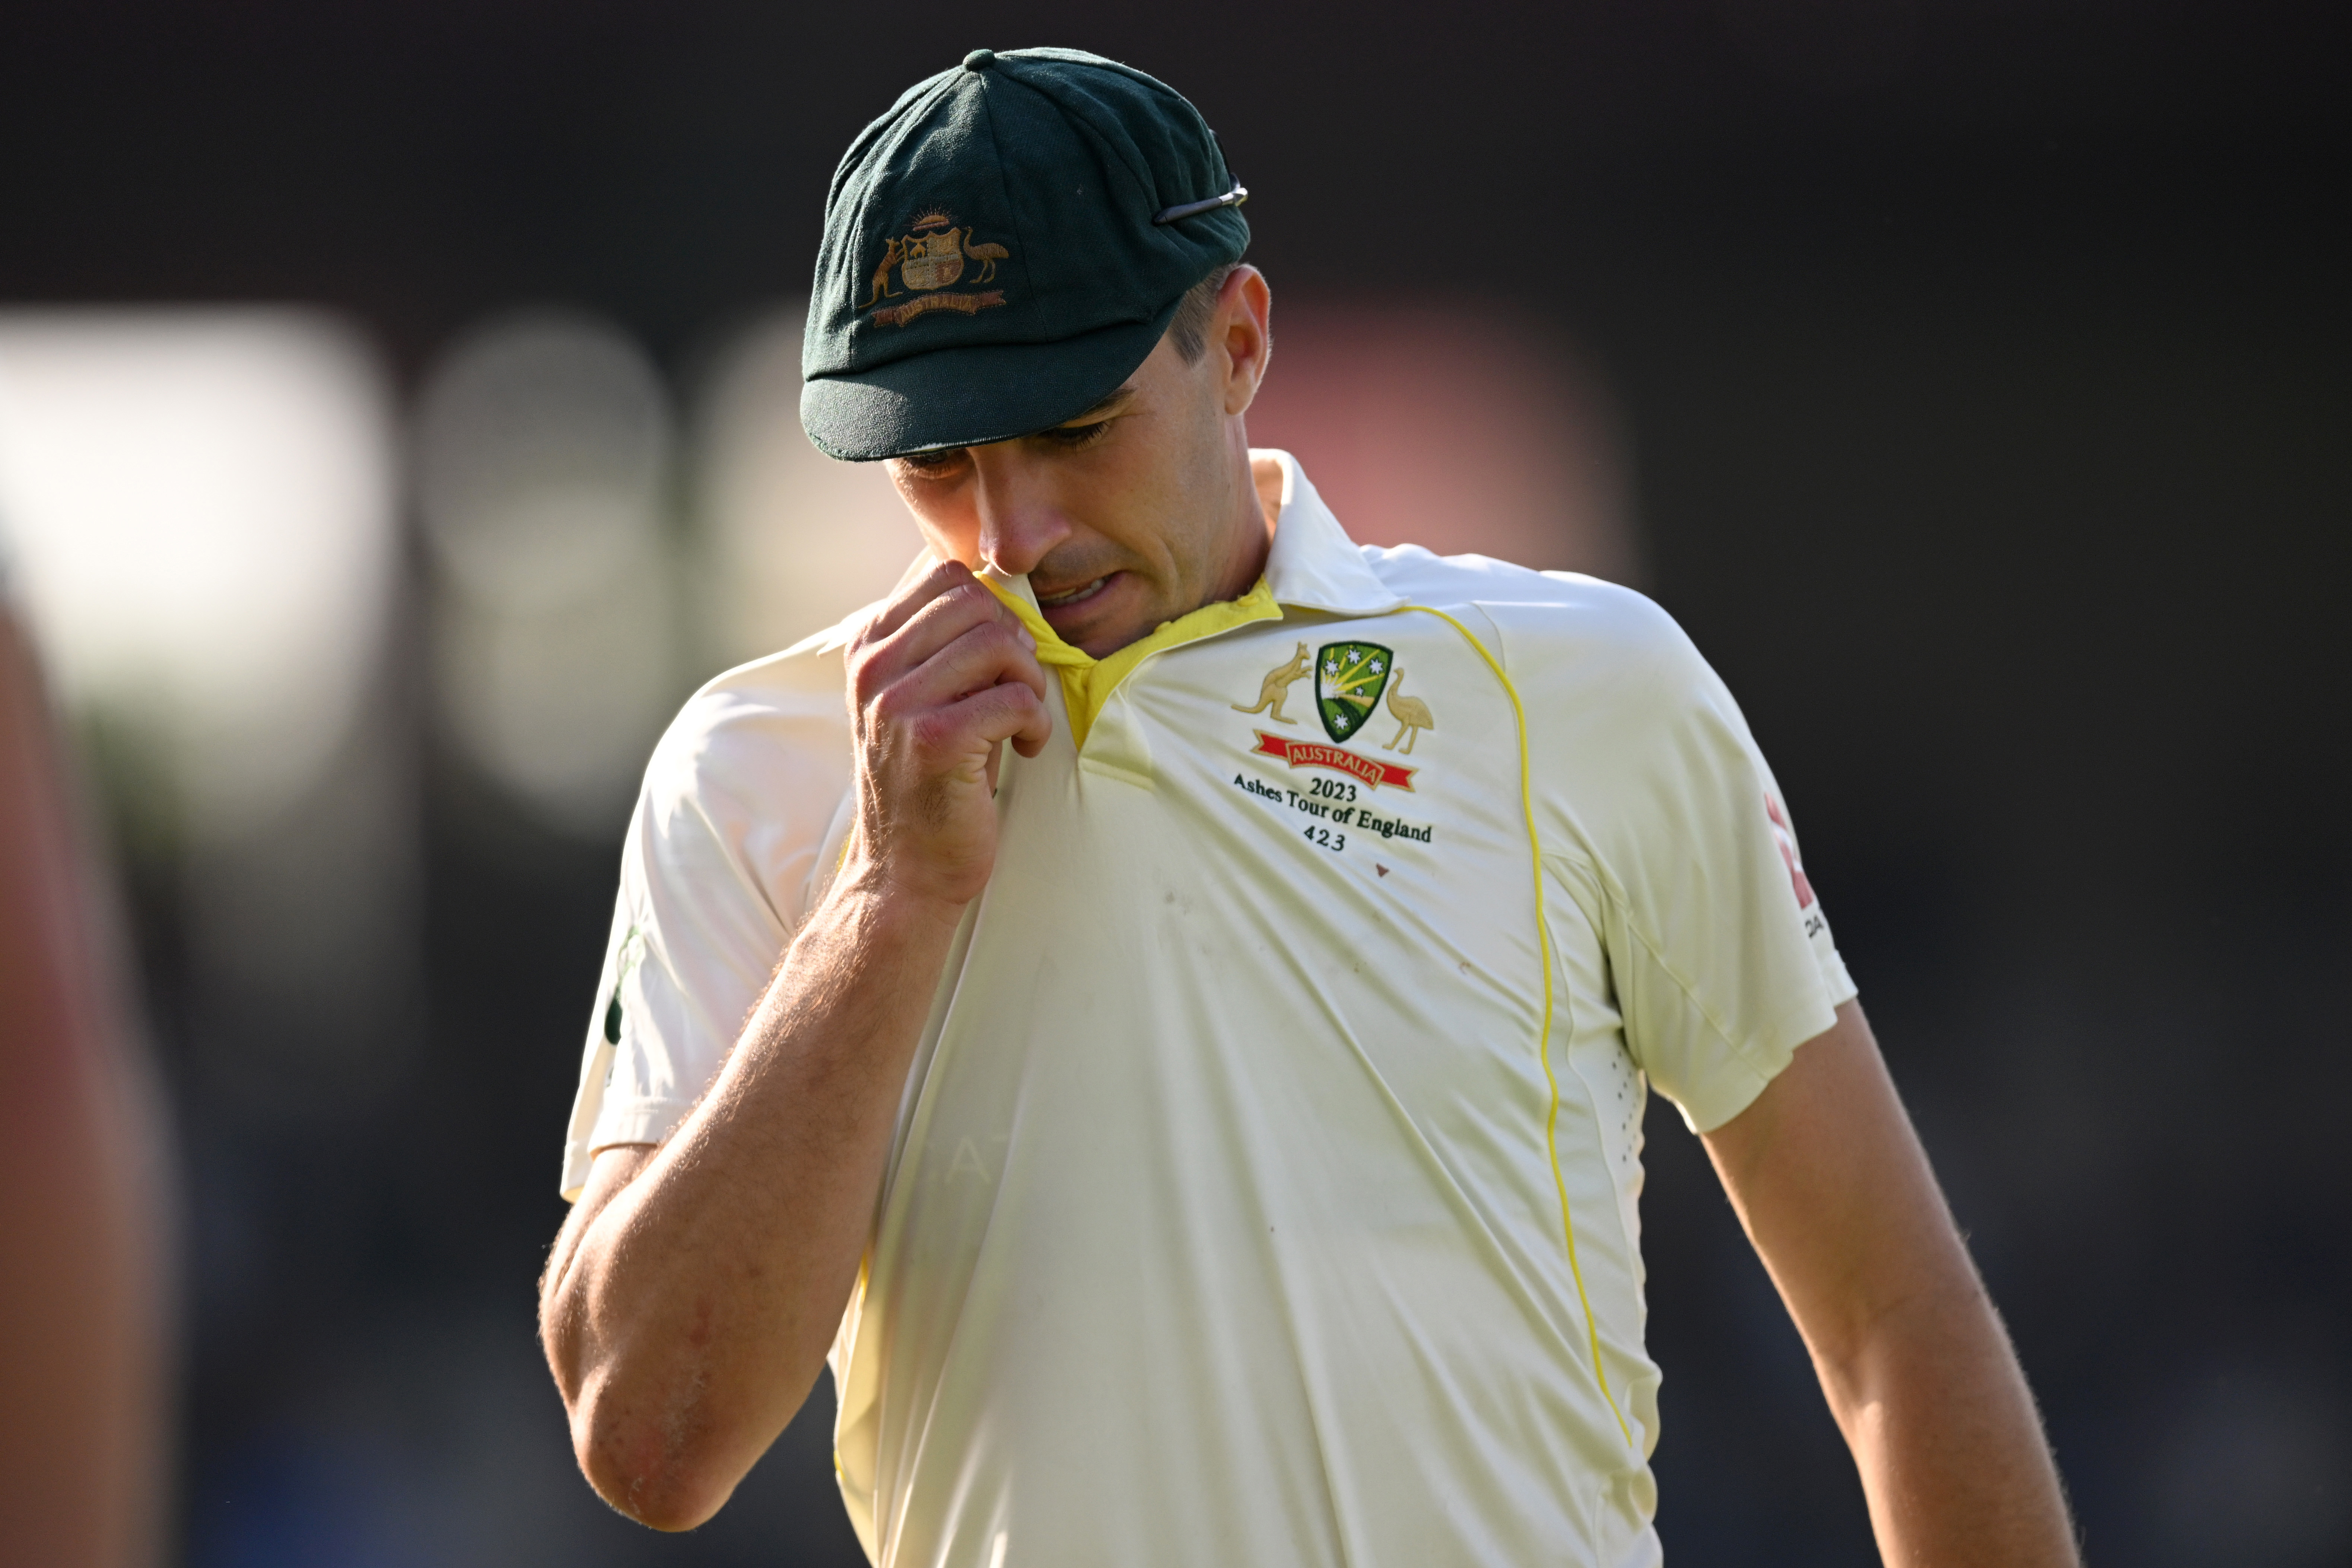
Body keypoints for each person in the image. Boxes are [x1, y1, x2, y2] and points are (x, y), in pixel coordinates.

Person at [540, 47, 2077, 1566]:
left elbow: (1893, 1316)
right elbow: (650, 1442)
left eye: (1076, 426)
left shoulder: (1586, 690)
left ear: (1239, 338)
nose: (1013, 532)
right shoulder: (759, 765)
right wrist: (886, 901)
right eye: (935, 458)